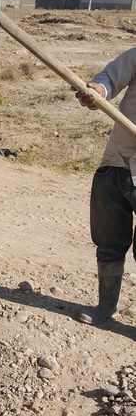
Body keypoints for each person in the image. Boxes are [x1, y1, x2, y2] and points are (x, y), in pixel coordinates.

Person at [75, 47, 136, 324]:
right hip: (116, 162)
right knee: (108, 240)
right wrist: (98, 92)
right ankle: (106, 306)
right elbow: (109, 79)